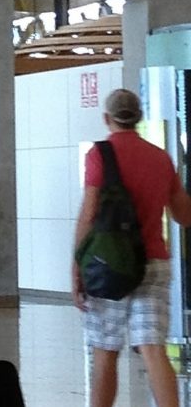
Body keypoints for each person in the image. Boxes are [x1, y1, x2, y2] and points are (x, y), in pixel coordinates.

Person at [72, 89, 191, 407]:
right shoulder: (160, 157)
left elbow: (89, 212)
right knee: (153, 348)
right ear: (138, 117)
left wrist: (76, 268)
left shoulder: (99, 154)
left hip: (108, 264)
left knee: (105, 350)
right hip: (153, 263)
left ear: (107, 119)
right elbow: (184, 214)